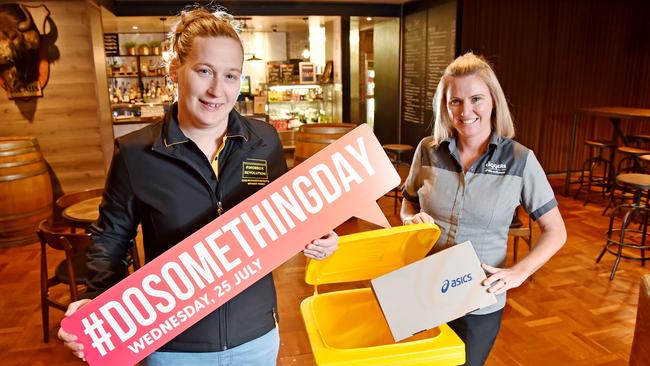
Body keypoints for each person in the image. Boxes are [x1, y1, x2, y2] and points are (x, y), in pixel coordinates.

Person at [57, 6, 339, 365]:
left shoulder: (265, 140)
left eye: (231, 76)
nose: (216, 90)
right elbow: (110, 238)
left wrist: (320, 236)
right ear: (176, 70)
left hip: (255, 335)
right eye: (204, 70)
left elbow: (292, 215)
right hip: (172, 344)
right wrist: (97, 301)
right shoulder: (135, 152)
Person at [401, 52, 566, 365]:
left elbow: (556, 230)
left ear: (493, 101)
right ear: (444, 106)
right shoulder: (427, 150)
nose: (466, 111)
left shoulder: (520, 160)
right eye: (455, 102)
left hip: (478, 300)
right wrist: (411, 218)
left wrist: (520, 272)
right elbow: (408, 202)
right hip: (424, 289)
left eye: (476, 98)